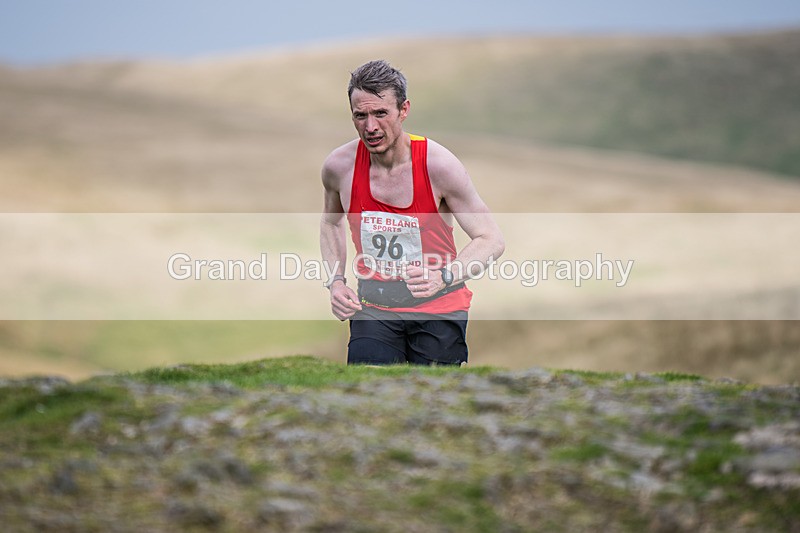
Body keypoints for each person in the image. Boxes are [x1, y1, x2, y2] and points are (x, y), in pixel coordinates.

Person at [320, 60, 504, 366]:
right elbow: (330, 221)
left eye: (381, 113)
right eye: (360, 116)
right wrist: (336, 282)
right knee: (368, 393)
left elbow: (491, 239)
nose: (370, 127)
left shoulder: (439, 166)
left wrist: (444, 276)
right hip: (373, 306)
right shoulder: (339, 167)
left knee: (433, 401)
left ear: (403, 110)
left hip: (439, 306)